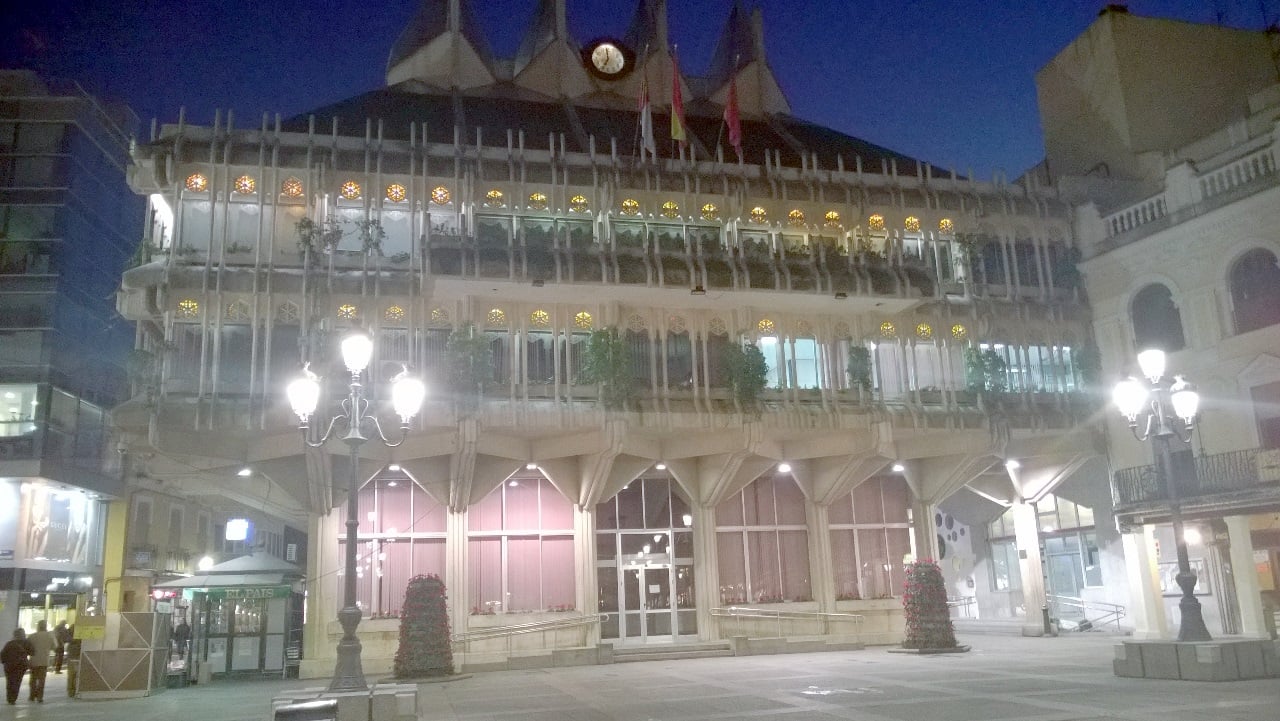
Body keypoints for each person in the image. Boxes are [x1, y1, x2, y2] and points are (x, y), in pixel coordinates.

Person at [1, 628, 33, 705]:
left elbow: (2, 654)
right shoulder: (27, 643)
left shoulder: (9, 643)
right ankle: (13, 698)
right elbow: (32, 652)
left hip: (9, 666)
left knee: (10, 682)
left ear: (15, 635)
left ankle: (9, 698)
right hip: (21, 666)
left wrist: (4, 662)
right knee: (17, 682)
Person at [25, 621, 53, 703]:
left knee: (33, 679)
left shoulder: (32, 636)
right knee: (42, 680)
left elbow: (27, 647)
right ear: (45, 626)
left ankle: (32, 696)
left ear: (38, 626)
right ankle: (40, 697)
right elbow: (55, 646)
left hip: (34, 660)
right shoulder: (50, 636)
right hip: (44, 660)